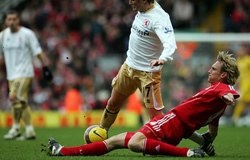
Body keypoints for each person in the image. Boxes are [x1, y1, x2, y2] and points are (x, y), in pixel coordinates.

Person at [43, 51, 240, 157]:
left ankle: (187, 154)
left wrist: (230, 96)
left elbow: (228, 92)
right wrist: (206, 142)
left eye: (213, 69)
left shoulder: (220, 89)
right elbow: (212, 131)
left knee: (136, 143)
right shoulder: (217, 103)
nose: (209, 71)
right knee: (113, 142)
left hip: (170, 123)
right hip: (175, 126)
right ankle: (61, 151)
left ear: (223, 75)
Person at [99, 0, 177, 131]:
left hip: (148, 73)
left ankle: (166, 143)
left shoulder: (160, 18)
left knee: (155, 117)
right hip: (128, 67)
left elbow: (170, 43)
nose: (130, 2)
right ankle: (101, 132)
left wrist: (162, 58)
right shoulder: (141, 9)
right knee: (112, 103)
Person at [0, 10, 53, 140]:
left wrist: (45, 67)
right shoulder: (2, 36)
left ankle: (20, 129)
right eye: (9, 19)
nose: (11, 22)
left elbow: (38, 51)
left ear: (18, 20)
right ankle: (24, 130)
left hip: (24, 72)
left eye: (14, 19)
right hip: (11, 74)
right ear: (5, 21)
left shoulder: (27, 34)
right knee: (19, 102)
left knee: (13, 97)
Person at [232, 44, 250, 124]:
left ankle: (235, 118)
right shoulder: (238, 61)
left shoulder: (248, 60)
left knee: (242, 100)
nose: (239, 52)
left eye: (241, 50)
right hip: (242, 83)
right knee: (247, 101)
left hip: (248, 83)